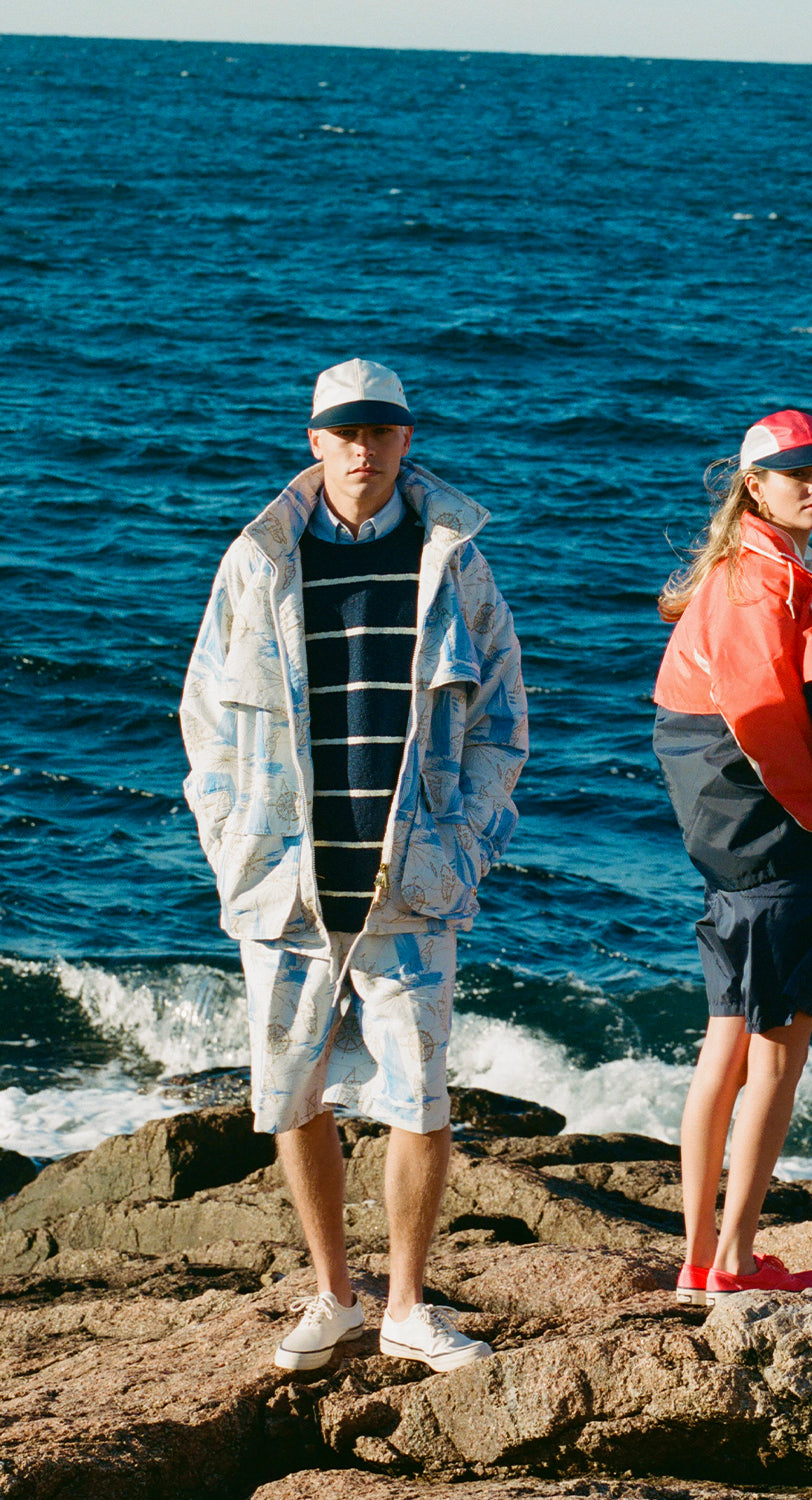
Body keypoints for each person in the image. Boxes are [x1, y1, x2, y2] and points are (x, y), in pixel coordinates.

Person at [180, 358, 527, 1371]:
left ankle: (408, 1306)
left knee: (419, 1100)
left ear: (407, 439)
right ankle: (333, 1295)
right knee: (293, 1098)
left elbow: (503, 720)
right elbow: (204, 717)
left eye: (381, 429)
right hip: (285, 884)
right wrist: (227, 839)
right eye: (345, 430)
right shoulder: (259, 560)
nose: (363, 448)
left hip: (408, 883)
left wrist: (465, 846)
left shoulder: (453, 560)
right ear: (315, 440)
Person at [652, 409, 812, 1306]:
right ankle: (735, 1262)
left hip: (727, 840)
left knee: (727, 1043)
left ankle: (697, 1258)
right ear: (753, 486)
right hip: (771, 842)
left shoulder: (751, 569)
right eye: (798, 474)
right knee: (775, 1055)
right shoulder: (760, 586)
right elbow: (770, 732)